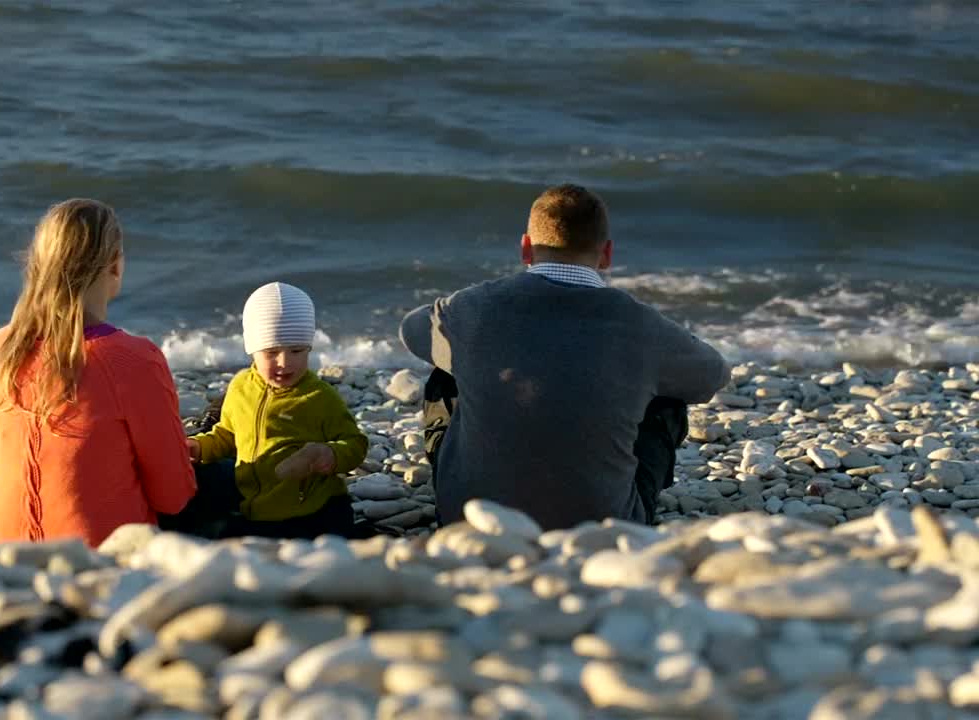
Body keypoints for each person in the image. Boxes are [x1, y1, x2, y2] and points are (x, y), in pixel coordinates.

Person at [399, 184, 729, 531]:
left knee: (446, 374)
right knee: (666, 396)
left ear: (526, 248)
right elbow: (713, 375)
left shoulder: (472, 308)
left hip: (472, 521)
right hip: (606, 528)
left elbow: (412, 330)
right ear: (607, 255)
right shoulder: (639, 323)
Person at [0, 199, 196, 547]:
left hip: (3, 544)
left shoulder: (3, 346)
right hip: (98, 551)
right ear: (114, 265)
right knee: (228, 485)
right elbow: (173, 497)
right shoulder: (133, 360)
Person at [163, 282, 368, 539]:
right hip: (255, 505)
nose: (285, 362)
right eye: (271, 352)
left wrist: (328, 454)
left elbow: (356, 444)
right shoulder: (241, 387)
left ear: (309, 348)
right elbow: (227, 435)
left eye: (296, 351)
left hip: (312, 511)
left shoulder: (319, 397)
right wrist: (199, 446)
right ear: (252, 349)